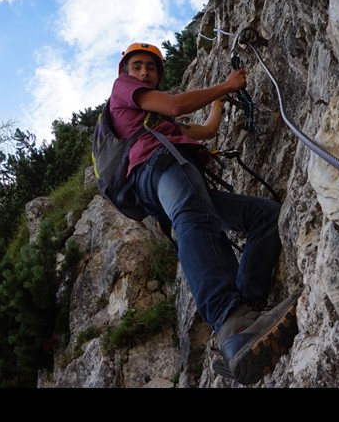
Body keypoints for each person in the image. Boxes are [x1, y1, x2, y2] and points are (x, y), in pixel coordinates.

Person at [109, 42, 300, 386]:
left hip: (170, 170)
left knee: (265, 217)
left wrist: (218, 101)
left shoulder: (158, 122)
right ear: (126, 74)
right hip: (160, 165)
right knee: (193, 220)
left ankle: (245, 320)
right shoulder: (124, 91)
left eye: (150, 68)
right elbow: (175, 103)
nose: (143, 72)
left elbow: (207, 130)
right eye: (136, 66)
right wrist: (226, 85)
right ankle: (231, 319)